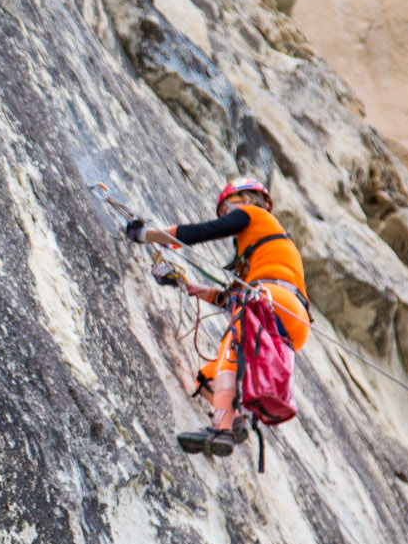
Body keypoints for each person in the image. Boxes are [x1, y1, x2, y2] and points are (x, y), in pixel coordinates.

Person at [126, 177, 310, 456]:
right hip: (291, 320)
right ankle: (234, 420)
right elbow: (230, 297)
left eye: (229, 209)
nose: (228, 216)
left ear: (246, 201)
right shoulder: (261, 251)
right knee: (206, 378)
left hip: (272, 300)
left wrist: (147, 235)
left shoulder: (253, 215)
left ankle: (222, 429)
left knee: (231, 351)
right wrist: (192, 289)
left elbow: (202, 232)